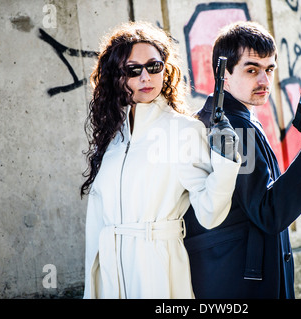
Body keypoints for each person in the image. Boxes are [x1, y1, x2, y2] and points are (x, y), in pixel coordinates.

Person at [80, 21, 240, 299]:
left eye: (154, 67)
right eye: (133, 69)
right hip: (109, 272)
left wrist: (226, 161)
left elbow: (210, 213)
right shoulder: (112, 137)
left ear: (165, 71)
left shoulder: (182, 130)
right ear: (116, 76)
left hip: (157, 270)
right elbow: (96, 222)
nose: (146, 77)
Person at [184, 21, 301, 298]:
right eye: (252, 70)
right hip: (240, 283)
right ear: (224, 74)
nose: (265, 81)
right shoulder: (231, 127)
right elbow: (268, 213)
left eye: (269, 69)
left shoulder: (233, 118)